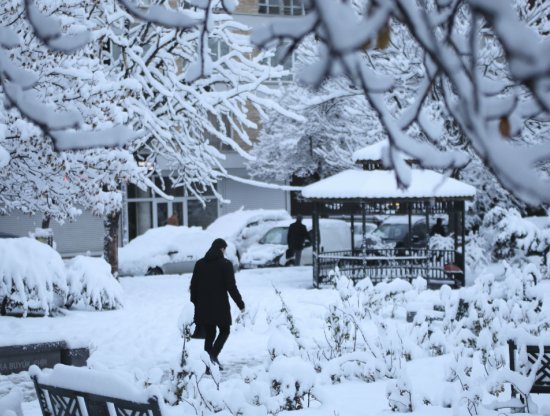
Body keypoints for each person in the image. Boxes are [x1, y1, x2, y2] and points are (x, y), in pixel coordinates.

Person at [190, 238, 245, 371]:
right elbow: (231, 287)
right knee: (225, 330)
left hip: (203, 306)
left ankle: (208, 363)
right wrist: (240, 303)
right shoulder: (225, 264)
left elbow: (193, 286)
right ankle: (212, 356)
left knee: (210, 333)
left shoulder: (200, 264)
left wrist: (195, 304)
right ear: (222, 249)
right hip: (220, 306)